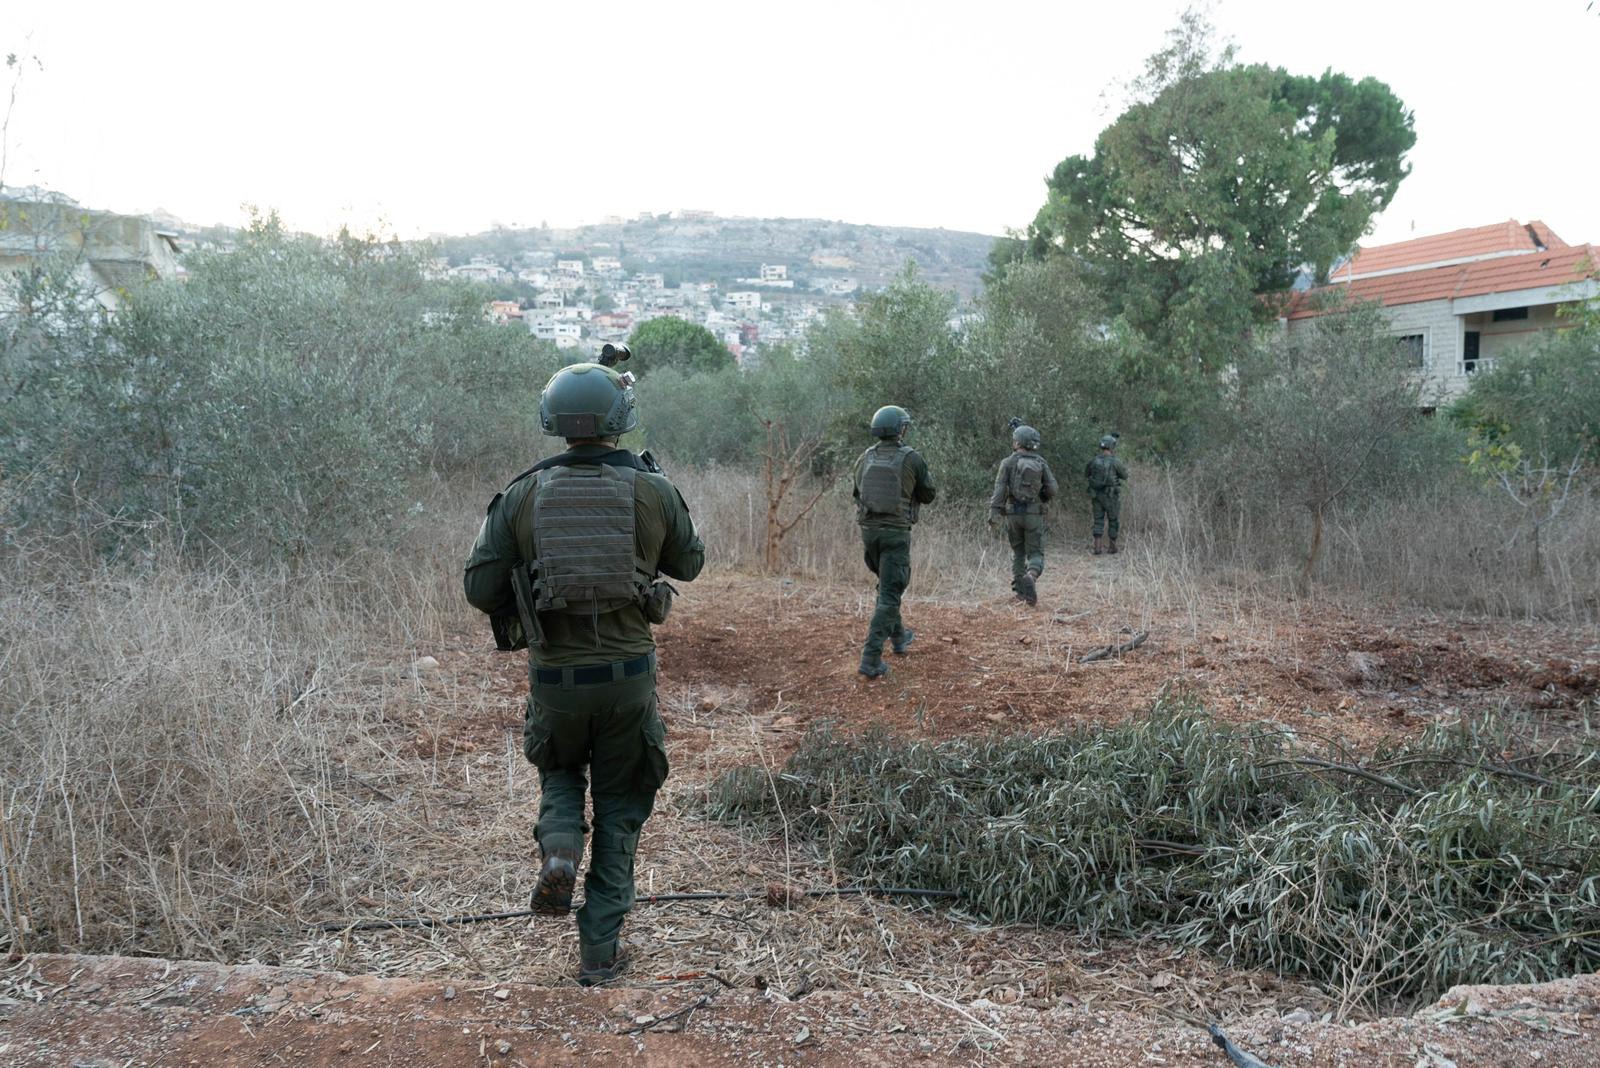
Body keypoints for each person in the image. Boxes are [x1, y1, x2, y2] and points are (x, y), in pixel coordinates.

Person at [463, 359, 704, 986]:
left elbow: (479, 586)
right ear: (618, 420)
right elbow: (692, 562)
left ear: (555, 421)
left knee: (561, 769)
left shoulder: (522, 493)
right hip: (627, 679)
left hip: (554, 683)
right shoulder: (652, 488)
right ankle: (598, 955)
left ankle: (562, 844)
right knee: (621, 807)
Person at [852, 404, 936, 678]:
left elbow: (856, 492)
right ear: (900, 429)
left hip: (869, 534)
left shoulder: (864, 458)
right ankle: (871, 658)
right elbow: (928, 494)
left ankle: (899, 637)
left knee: (887, 587)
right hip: (896, 534)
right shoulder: (912, 458)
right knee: (889, 593)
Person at [988, 424, 1059, 605]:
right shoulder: (1041, 462)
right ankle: (1032, 576)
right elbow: (1053, 488)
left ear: (1017, 442)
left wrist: (994, 513)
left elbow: (999, 490)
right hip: (1034, 514)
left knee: (1018, 552)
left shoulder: (1008, 462)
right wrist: (1041, 497)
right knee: (1035, 552)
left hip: (1013, 514)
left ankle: (1021, 592)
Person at [1085, 434, 1129, 555]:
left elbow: (1086, 474)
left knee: (1098, 520)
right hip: (1111, 496)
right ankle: (1112, 547)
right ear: (1112, 447)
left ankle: (1097, 548)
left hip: (1096, 496)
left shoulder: (1093, 461)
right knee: (1113, 520)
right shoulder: (1116, 462)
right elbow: (1125, 476)